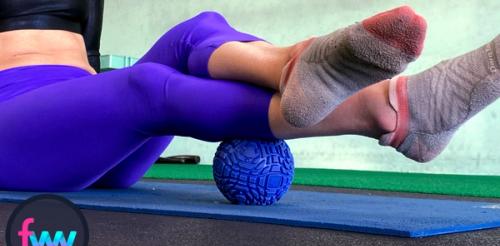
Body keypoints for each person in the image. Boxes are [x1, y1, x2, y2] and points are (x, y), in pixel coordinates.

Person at [0, 2, 498, 192]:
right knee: (147, 88)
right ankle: (389, 108)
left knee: (197, 30)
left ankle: (292, 66)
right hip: (14, 132)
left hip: (80, 125)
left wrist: (90, 117)